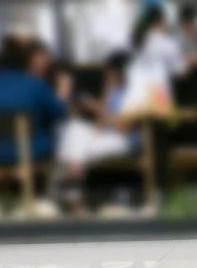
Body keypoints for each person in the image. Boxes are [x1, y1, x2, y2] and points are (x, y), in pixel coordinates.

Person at [0, 36, 65, 168]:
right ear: (25, 61)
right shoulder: (35, 84)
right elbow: (59, 113)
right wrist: (61, 95)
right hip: (30, 150)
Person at [57, 51, 138, 195]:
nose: (106, 76)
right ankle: (73, 192)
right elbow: (102, 122)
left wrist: (95, 107)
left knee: (73, 150)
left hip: (125, 138)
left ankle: (71, 195)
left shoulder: (134, 92)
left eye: (109, 72)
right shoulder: (113, 89)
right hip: (107, 134)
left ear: (120, 72)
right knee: (74, 128)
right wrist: (102, 98)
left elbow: (123, 126)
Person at [125, 4, 187, 111]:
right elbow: (180, 72)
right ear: (160, 21)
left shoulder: (133, 41)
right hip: (157, 95)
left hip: (134, 95)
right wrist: (188, 61)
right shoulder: (167, 43)